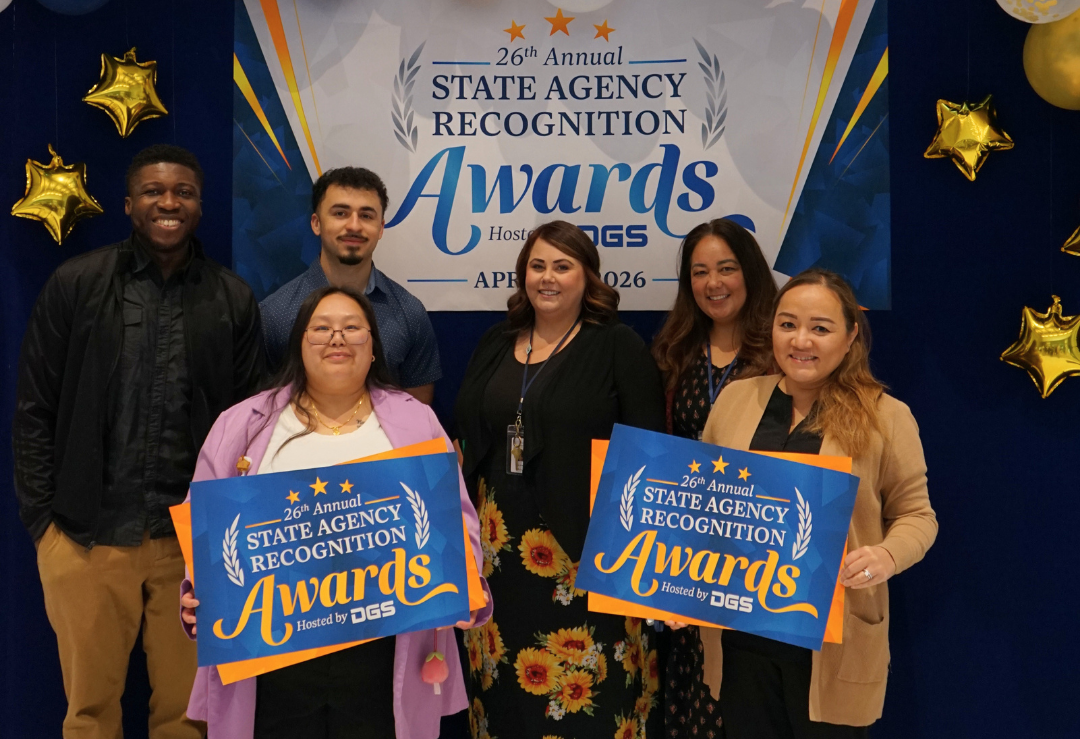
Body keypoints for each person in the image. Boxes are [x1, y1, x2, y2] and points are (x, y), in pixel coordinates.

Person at [12, 144, 265, 739]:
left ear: (201, 207)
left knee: (187, 716)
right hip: (85, 535)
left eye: (183, 192)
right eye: (154, 191)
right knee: (90, 715)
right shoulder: (76, 284)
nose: (169, 202)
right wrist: (45, 525)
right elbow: (33, 411)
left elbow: (255, 426)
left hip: (194, 547)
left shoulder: (232, 299)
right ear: (129, 205)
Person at [178, 286, 490, 739]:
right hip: (273, 654)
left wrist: (465, 581)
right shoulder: (243, 423)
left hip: (383, 651)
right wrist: (196, 593)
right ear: (298, 344)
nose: (336, 338)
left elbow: (457, 521)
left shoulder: (416, 422)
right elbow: (206, 525)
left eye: (352, 328)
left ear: (373, 345)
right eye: (321, 329)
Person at [697, 269, 938, 738]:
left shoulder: (887, 416)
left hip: (831, 644)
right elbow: (702, 509)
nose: (800, 340)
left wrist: (887, 555)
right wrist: (666, 584)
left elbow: (917, 515)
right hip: (741, 643)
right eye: (787, 324)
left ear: (850, 337)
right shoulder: (734, 400)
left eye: (820, 328)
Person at [454, 221, 666, 739]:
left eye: (563, 266)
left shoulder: (617, 346)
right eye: (537, 265)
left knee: (592, 702)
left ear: (588, 277)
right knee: (506, 698)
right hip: (499, 556)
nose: (547, 278)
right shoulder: (496, 341)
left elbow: (650, 457)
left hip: (587, 554)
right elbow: (466, 436)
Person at [651, 218, 777, 738]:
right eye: (700, 272)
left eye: (726, 268)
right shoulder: (672, 352)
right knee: (692, 686)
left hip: (758, 548)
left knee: (750, 694)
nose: (714, 283)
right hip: (688, 555)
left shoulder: (782, 349)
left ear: (749, 273)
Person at [259, 167, 441, 402]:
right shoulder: (275, 314)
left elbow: (419, 413)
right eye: (340, 213)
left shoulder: (409, 312)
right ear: (316, 223)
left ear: (381, 228)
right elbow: (261, 408)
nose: (354, 226)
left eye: (366, 215)